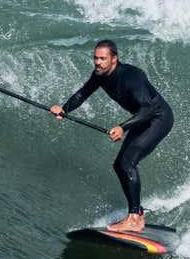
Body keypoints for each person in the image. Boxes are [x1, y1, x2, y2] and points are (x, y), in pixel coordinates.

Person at [50, 40, 174, 233]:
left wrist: (123, 127)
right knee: (120, 165)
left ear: (114, 59)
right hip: (142, 119)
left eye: (102, 58)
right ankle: (137, 215)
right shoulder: (99, 75)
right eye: (95, 58)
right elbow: (83, 94)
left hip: (158, 118)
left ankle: (133, 218)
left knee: (127, 163)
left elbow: (148, 108)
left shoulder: (131, 76)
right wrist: (64, 110)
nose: (97, 62)